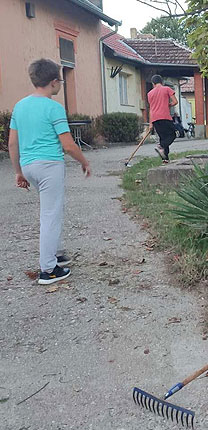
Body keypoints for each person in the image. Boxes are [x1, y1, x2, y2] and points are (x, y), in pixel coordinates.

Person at [8, 58, 91, 285]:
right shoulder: (54, 108)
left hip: (29, 166)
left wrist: (18, 172)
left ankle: (54, 253)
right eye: (61, 81)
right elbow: (68, 145)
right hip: (49, 166)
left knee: (49, 210)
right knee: (51, 214)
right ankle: (48, 269)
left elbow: (12, 144)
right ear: (54, 82)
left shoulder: (19, 106)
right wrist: (84, 162)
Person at [147, 75, 178, 163]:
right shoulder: (167, 89)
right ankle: (161, 146)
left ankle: (165, 159)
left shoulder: (150, 93)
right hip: (165, 116)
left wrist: (150, 124)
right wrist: (169, 104)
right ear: (162, 82)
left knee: (163, 137)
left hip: (155, 118)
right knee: (173, 134)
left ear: (153, 83)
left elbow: (151, 109)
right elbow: (175, 101)